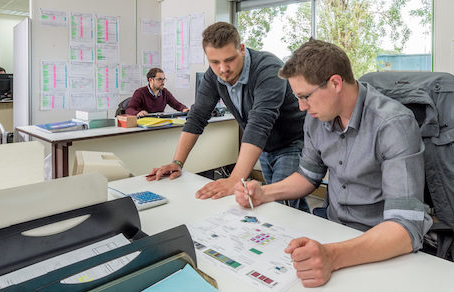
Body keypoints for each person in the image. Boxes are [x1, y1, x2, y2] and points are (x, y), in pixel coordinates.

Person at [234, 39, 432, 287]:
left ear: (336, 83)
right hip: (332, 229)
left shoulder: (393, 124)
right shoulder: (316, 118)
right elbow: (308, 177)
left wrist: (333, 256)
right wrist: (264, 192)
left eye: (305, 96)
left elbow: (406, 228)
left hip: (379, 245)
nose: (301, 107)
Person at [147, 22, 309, 212]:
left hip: (292, 142)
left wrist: (234, 179)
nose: (223, 69)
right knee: (288, 206)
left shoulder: (268, 68)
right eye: (215, 62)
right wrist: (177, 163)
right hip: (266, 146)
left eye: (229, 59)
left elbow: (259, 123)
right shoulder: (213, 76)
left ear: (241, 49)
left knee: (280, 207)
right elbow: (197, 116)